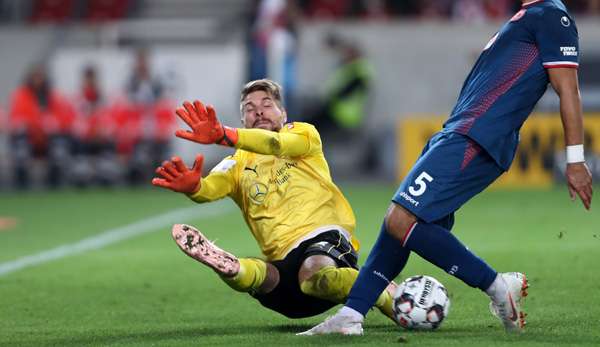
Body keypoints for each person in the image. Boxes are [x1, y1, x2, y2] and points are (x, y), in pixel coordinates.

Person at [300, 0, 593, 336]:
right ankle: (351, 315)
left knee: (401, 218)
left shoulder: (552, 15)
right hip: (459, 132)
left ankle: (497, 286)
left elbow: (568, 89)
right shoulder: (526, 17)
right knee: (399, 224)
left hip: (476, 136)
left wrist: (575, 159)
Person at [151, 79, 396, 320]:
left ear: (283, 114)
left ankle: (389, 295)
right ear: (243, 121)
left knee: (313, 275)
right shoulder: (235, 164)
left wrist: (225, 135)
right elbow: (210, 188)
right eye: (249, 108)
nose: (258, 110)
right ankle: (232, 267)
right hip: (287, 280)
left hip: (325, 240)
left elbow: (275, 143)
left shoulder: (303, 134)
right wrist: (193, 187)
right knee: (264, 276)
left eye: (267, 104)